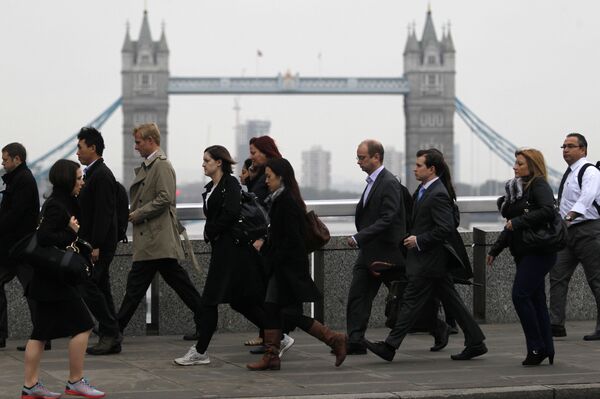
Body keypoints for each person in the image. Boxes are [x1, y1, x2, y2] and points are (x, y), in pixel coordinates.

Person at [365, 149, 487, 362]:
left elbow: (446, 228)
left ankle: (390, 347)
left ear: (432, 169)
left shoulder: (438, 193)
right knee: (452, 302)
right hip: (429, 262)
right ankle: (475, 341)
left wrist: (419, 240)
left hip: (429, 261)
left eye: (419, 165)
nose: (415, 168)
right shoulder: (424, 190)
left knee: (410, 302)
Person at [246, 158, 347, 371]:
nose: (266, 181)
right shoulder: (280, 200)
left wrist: (265, 250)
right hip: (282, 268)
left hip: (288, 269)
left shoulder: (287, 202)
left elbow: (291, 241)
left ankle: (334, 339)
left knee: (286, 313)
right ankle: (272, 355)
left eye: (269, 177)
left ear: (281, 177)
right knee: (273, 309)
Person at [174, 145, 266, 366]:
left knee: (209, 301)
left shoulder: (231, 183)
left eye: (207, 160)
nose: (203, 164)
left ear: (219, 162)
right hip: (223, 250)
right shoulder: (212, 187)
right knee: (240, 302)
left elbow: (232, 212)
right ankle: (278, 335)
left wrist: (211, 229)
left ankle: (200, 351)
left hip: (233, 250)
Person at [22, 159, 104, 399]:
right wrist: (70, 230)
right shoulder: (58, 205)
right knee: (84, 325)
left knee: (39, 334)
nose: (82, 182)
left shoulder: (57, 202)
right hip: (54, 282)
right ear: (68, 179)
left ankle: (30, 386)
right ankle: (75, 381)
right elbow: (46, 237)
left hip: (46, 281)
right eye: (79, 178)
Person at [116, 123, 203, 339]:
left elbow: (165, 198)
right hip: (155, 239)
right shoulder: (152, 165)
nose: (135, 147)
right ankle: (205, 319)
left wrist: (137, 214)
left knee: (137, 288)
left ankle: (114, 330)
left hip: (155, 238)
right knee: (176, 285)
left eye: (138, 142)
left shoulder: (161, 166)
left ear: (150, 141)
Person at [487, 148, 557, 365]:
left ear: (532, 166)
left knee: (520, 295)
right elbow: (510, 227)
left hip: (539, 252)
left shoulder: (538, 184)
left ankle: (536, 347)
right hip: (524, 252)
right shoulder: (516, 189)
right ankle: (546, 348)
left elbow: (548, 210)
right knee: (536, 301)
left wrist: (517, 221)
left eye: (519, 164)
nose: (515, 167)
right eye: (515, 163)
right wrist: (495, 249)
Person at [344, 139, 406, 354]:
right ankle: (355, 341)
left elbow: (388, 218)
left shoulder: (388, 182)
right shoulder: (372, 182)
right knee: (358, 296)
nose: (358, 162)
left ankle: (438, 327)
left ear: (376, 157)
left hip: (386, 253)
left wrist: (360, 237)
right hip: (370, 252)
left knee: (403, 299)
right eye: (358, 157)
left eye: (362, 158)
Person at [241, 136, 295, 355]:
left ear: (266, 152)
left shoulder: (278, 173)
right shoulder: (260, 175)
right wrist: (248, 180)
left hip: (271, 245)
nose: (251, 156)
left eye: (254, 152)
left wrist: (264, 238)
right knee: (264, 296)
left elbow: (263, 207)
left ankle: (277, 339)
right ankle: (272, 338)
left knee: (268, 297)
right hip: (262, 243)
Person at [75, 127, 122, 355]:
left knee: (90, 286)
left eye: (80, 147)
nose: (77, 152)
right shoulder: (93, 173)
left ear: (93, 148)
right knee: (102, 289)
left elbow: (104, 214)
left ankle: (110, 332)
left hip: (98, 245)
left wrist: (96, 245)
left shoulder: (102, 175)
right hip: (94, 243)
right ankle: (111, 336)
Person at [550, 133, 600, 340]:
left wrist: (570, 216)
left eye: (571, 146)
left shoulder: (590, 172)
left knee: (597, 280)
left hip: (589, 231)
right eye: (563, 146)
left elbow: (587, 197)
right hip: (567, 232)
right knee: (557, 276)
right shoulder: (569, 173)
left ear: (583, 150)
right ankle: (555, 325)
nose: (566, 150)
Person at [0, 143, 40, 351]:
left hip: (19, 248)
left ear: (17, 159)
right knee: (32, 291)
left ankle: (41, 337)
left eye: (5, 159)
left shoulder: (22, 181)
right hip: (14, 247)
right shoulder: (18, 179)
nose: (2, 163)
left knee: (32, 291)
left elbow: (15, 215)